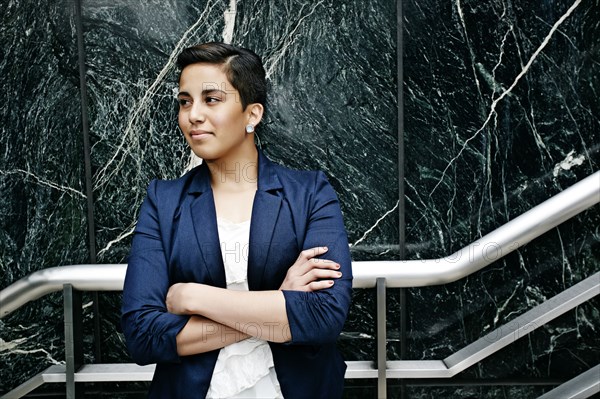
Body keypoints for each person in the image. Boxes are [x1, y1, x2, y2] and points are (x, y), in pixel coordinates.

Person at [121, 42, 353, 399]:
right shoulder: (164, 201)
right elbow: (143, 335)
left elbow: (324, 317)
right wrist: (278, 303)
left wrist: (192, 296)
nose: (193, 115)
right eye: (185, 101)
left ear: (252, 114)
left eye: (211, 99)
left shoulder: (309, 194)